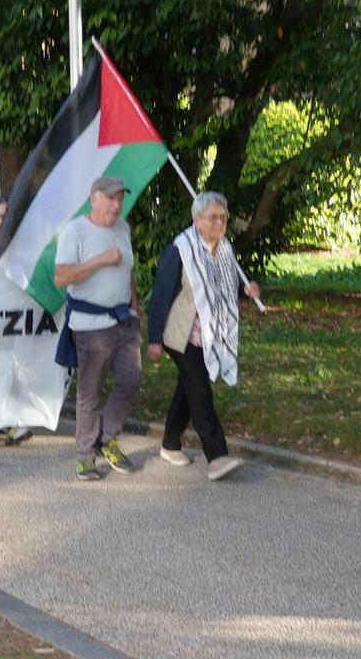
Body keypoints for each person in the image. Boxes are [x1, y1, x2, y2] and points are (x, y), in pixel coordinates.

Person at [147, 191, 260, 481]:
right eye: (212, 217)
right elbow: (161, 295)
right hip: (181, 333)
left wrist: (247, 289)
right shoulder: (180, 250)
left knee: (189, 387)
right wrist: (154, 338)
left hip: (211, 334)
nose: (219, 222)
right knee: (200, 390)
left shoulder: (225, 251)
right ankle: (217, 457)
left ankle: (170, 443)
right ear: (197, 221)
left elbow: (230, 285)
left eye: (223, 217)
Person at [55, 175, 141, 480]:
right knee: (90, 390)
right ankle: (85, 455)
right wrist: (100, 260)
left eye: (120, 198)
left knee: (131, 380)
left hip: (124, 319)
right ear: (94, 198)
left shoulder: (123, 228)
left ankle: (107, 439)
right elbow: (61, 277)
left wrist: (135, 307)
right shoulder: (75, 231)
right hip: (90, 325)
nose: (116, 204)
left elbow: (127, 270)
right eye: (110, 198)